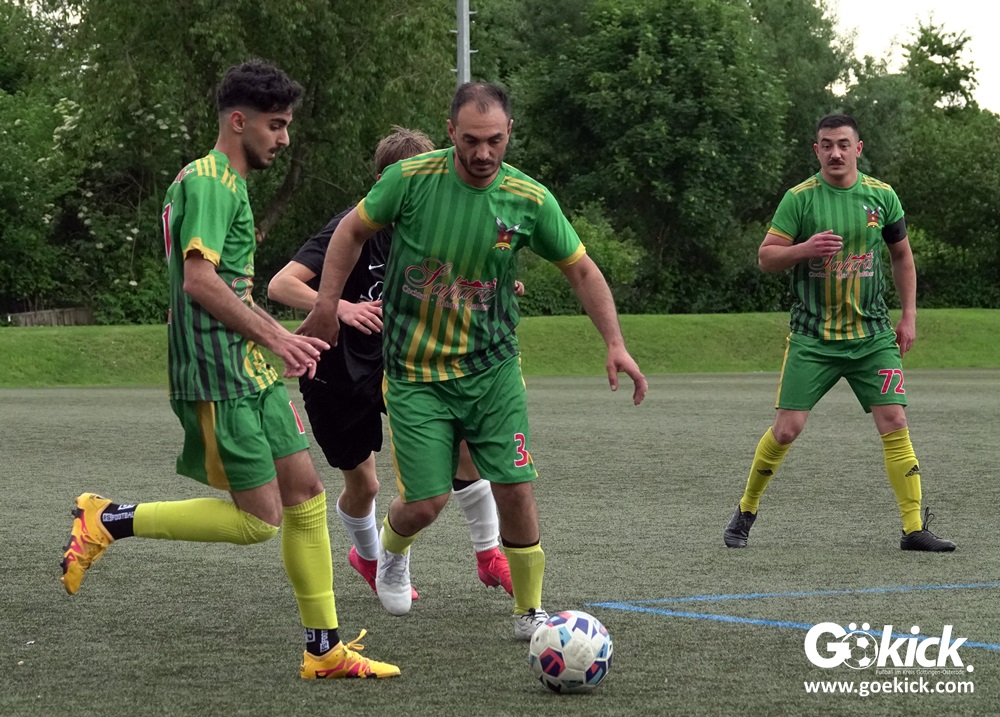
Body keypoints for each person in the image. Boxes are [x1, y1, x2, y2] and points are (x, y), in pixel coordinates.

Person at [59, 59, 400, 679]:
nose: (284, 137)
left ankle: (324, 651)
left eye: (287, 124)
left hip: (250, 370)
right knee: (259, 521)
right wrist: (277, 337)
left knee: (306, 498)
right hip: (218, 374)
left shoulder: (222, 182)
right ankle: (108, 519)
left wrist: (278, 339)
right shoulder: (213, 182)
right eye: (276, 124)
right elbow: (199, 282)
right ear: (238, 121)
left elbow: (230, 288)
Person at [297, 82, 647, 640]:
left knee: (516, 485)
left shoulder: (530, 199)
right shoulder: (409, 180)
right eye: (470, 141)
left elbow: (580, 268)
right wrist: (326, 306)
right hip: (415, 374)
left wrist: (615, 341)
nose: (483, 153)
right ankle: (388, 553)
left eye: (494, 140)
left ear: (510, 133)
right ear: (451, 132)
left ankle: (529, 611)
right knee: (426, 503)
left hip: (493, 370)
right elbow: (351, 231)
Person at [267, 126, 514, 600]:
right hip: (335, 374)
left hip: (399, 364)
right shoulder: (353, 225)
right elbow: (281, 284)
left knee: (465, 443)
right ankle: (369, 557)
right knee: (364, 484)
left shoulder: (434, 225)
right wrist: (340, 307)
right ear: (383, 182)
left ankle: (489, 555)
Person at [723, 113, 955, 553]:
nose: (835, 153)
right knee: (787, 430)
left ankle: (913, 529)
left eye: (843, 144)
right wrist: (804, 249)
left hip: (872, 336)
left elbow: (902, 257)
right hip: (813, 338)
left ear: (858, 148)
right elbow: (766, 258)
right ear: (816, 150)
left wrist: (909, 316)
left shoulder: (882, 196)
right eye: (827, 145)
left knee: (895, 420)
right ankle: (746, 509)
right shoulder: (799, 199)